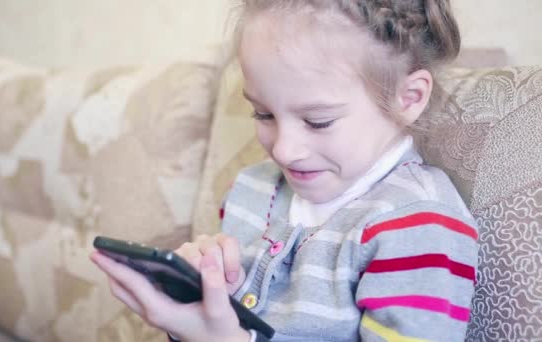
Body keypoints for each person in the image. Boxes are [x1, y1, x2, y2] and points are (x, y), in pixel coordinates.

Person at [91, 0, 479, 341]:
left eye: (318, 120)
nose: (283, 150)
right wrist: (211, 300)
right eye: (263, 114)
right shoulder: (253, 189)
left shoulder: (419, 227)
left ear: (407, 99)